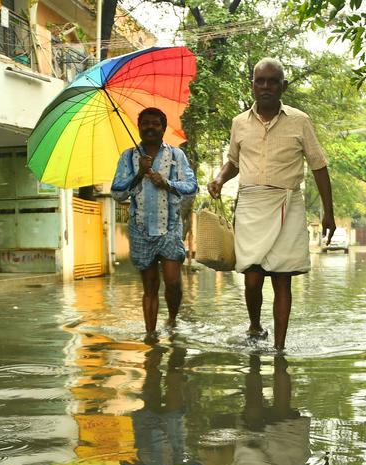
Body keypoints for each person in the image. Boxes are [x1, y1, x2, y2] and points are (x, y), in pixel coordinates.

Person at [207, 58, 336, 351]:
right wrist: (220, 179)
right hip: (250, 206)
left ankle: (279, 348)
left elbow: (319, 166)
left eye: (272, 81)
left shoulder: (300, 121)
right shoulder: (239, 123)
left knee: (282, 279)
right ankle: (254, 325)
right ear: (252, 85)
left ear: (283, 86)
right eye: (260, 81)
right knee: (252, 279)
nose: (266, 86)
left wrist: (328, 212)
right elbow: (234, 162)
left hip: (288, 205)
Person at [111, 107, 199, 337]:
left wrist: (167, 183)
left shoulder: (177, 156)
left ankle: (172, 319)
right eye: (145, 123)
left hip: (170, 228)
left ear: (163, 128)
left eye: (155, 124)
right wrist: (139, 173)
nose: (150, 127)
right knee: (149, 287)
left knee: (173, 282)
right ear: (139, 127)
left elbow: (192, 187)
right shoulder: (128, 157)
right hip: (140, 230)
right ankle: (150, 336)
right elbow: (117, 193)